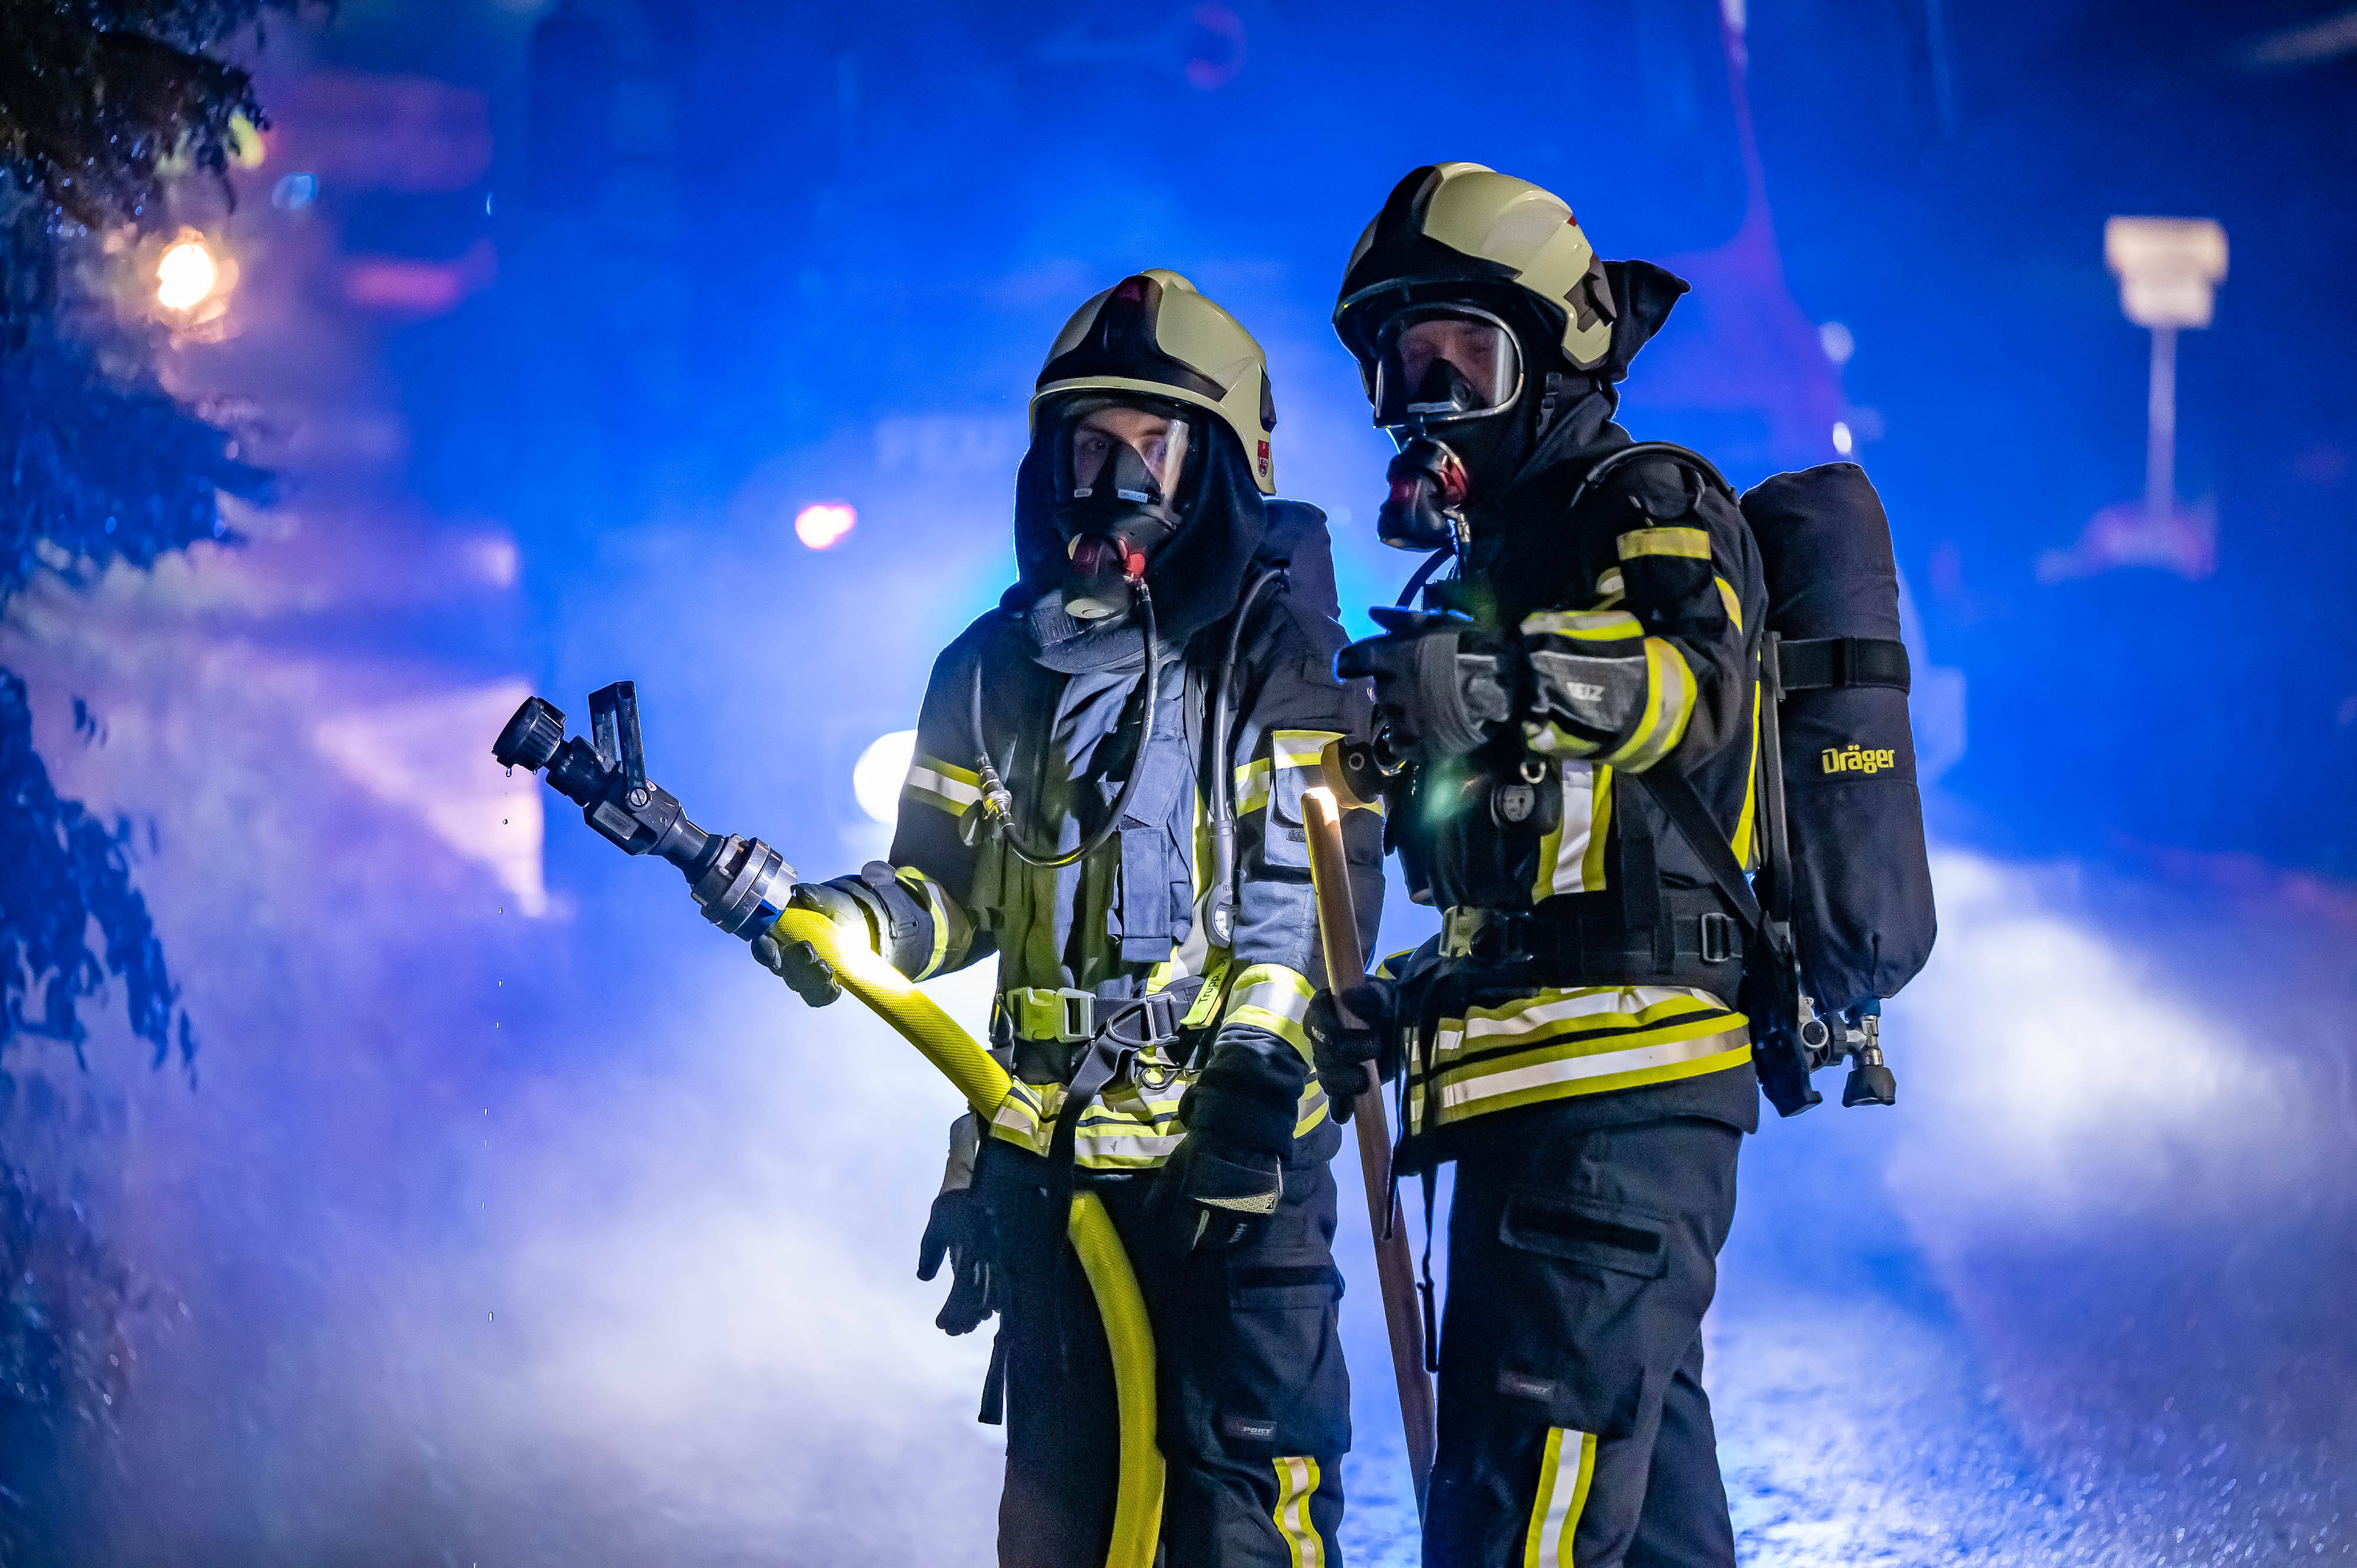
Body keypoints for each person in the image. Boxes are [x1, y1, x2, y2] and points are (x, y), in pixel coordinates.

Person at [752, 269, 1385, 1567]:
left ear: (1215, 464)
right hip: (1047, 1166)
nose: (1105, 483)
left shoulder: (1275, 655)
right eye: (1083, 447)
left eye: (1143, 448)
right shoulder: (988, 667)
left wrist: (1254, 1088)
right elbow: (942, 893)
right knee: (1059, 1527)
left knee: (1236, 1517)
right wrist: (841, 920)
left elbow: (1302, 907)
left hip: (1231, 1181)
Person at [1309, 163, 1767, 1568]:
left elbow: (1693, 691)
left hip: (1609, 1123)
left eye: (1464, 356)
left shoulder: (1645, 501)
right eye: (1402, 365)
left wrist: (1496, 678)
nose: (1422, 399)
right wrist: (1400, 994)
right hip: (1537, 1126)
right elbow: (1537, 883)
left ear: (1561, 349)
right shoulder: (1482, 572)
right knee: (1643, 1536)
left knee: (1517, 1526)